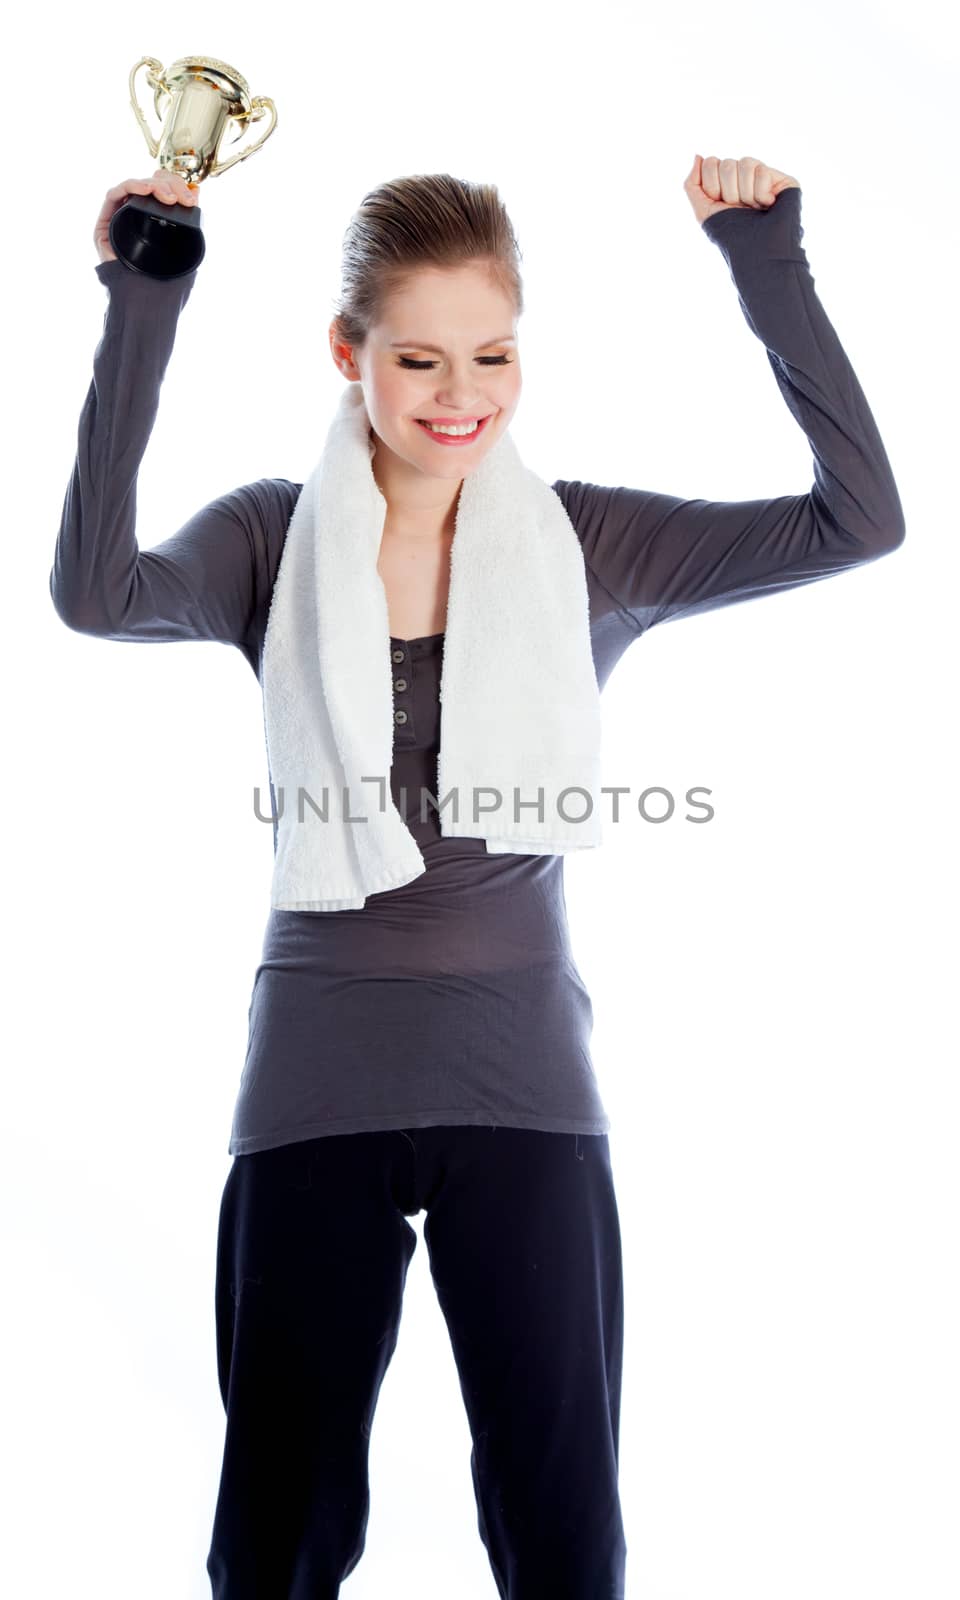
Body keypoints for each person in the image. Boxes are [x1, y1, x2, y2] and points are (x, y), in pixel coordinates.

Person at [51, 156, 905, 1599]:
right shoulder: (270, 537)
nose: (464, 394)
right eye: (422, 356)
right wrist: (143, 302)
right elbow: (99, 592)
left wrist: (770, 267)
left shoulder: (592, 543)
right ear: (350, 355)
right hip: (316, 1086)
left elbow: (857, 521)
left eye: (495, 354)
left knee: (564, 1537)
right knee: (275, 1539)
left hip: (527, 1094)